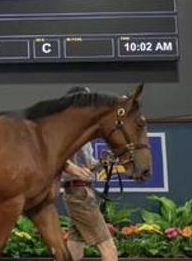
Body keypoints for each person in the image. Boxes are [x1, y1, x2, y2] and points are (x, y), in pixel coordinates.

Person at [61, 86, 118, 261]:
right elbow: (59, 158)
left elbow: (89, 165)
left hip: (81, 191)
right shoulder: (66, 130)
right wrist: (76, 171)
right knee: (107, 244)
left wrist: (102, 163)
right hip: (78, 194)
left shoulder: (82, 131)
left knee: (76, 239)